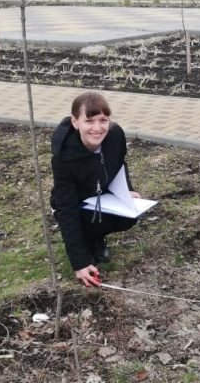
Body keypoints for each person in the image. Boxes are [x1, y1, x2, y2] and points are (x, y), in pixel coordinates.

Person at [50, 92, 140, 288]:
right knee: (88, 222)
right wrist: (79, 262)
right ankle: (90, 242)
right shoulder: (63, 158)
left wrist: (127, 190)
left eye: (103, 120)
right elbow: (67, 209)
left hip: (102, 194)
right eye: (89, 121)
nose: (97, 128)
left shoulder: (115, 135)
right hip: (76, 203)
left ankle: (96, 235)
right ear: (75, 122)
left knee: (129, 216)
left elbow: (120, 163)